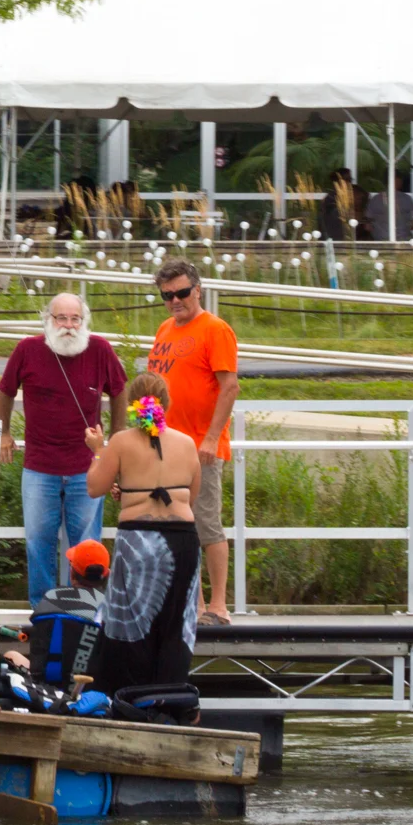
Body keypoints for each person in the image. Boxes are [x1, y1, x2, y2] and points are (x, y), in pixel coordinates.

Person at [0, 293, 129, 607]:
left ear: (83, 322)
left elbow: (120, 391)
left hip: (87, 468)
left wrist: (117, 436)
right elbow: (5, 391)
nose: (68, 325)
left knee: (88, 547)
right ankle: (43, 611)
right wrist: (4, 432)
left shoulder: (100, 349)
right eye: (61, 318)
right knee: (38, 543)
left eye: (75, 319)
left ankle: (86, 611)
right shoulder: (27, 349)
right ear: (48, 320)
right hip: (39, 467)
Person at [84, 374, 202, 692]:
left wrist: (97, 450)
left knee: (133, 620)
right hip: (183, 540)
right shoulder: (187, 443)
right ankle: (170, 696)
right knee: (177, 621)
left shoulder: (121, 441)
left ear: (133, 405)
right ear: (167, 403)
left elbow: (94, 487)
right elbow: (191, 497)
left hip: (140, 540)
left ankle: (130, 695)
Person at [147, 259, 240, 626]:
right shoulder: (164, 330)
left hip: (201, 448)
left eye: (182, 292)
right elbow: (154, 391)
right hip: (166, 446)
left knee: (206, 524)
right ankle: (195, 606)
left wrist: (212, 438)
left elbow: (229, 387)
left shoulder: (215, 329)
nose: (175, 301)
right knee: (177, 527)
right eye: (167, 295)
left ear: (197, 291)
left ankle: (218, 606)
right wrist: (149, 435)